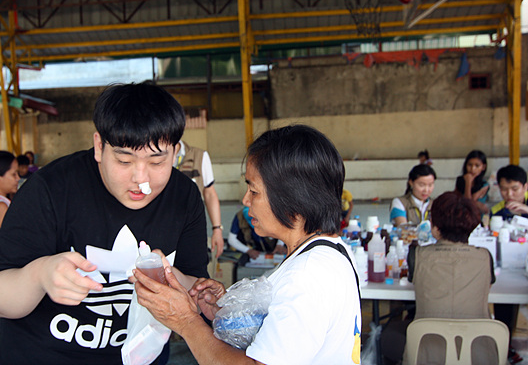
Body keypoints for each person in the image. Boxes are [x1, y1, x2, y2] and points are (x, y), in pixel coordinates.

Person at [0, 83, 209, 365]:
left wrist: (173, 278)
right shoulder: (50, 189)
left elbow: (197, 289)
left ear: (175, 152)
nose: (141, 179)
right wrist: (40, 275)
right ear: (99, 146)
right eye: (124, 160)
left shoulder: (183, 197)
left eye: (156, 161)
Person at [132, 125, 362, 364]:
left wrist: (187, 322)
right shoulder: (326, 253)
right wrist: (228, 312)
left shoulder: (307, 276)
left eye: (253, 190)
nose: (245, 199)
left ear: (294, 197)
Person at [382, 192, 496, 365]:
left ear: (435, 228)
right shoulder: (485, 257)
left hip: (426, 352)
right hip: (479, 352)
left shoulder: (417, 255)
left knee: (388, 332)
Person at [489, 164, 527, 364]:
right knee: (504, 304)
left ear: (525, 187)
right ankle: (505, 347)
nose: (509, 194)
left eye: (514, 189)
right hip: (509, 268)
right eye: (504, 189)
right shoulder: (497, 211)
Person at [174, 140, 225, 257]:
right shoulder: (150, 155)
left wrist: (217, 229)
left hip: (189, 231)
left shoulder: (199, 156)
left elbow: (209, 193)